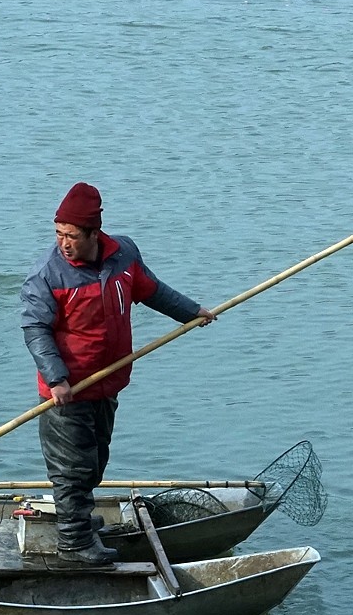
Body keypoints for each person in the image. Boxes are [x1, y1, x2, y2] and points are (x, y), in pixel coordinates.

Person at [19, 182, 215, 564]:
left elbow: (152, 290)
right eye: (58, 234)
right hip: (67, 390)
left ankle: (80, 520)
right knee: (72, 469)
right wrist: (56, 378)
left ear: (94, 233)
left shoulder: (123, 255)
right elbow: (35, 329)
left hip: (107, 382)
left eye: (72, 236)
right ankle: (74, 542)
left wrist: (191, 312)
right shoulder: (47, 274)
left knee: (95, 461)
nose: (64, 244)